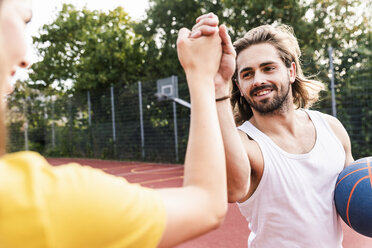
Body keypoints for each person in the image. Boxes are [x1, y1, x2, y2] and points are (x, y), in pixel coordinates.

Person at [0, 1, 227, 247]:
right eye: (24, 20)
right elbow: (206, 204)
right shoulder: (44, 203)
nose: (25, 60)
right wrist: (203, 76)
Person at [191, 13, 354, 247]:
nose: (258, 80)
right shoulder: (246, 144)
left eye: (268, 68)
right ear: (238, 85)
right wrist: (216, 83)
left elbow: (357, 193)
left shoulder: (332, 128)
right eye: (247, 74)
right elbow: (231, 190)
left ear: (291, 71)